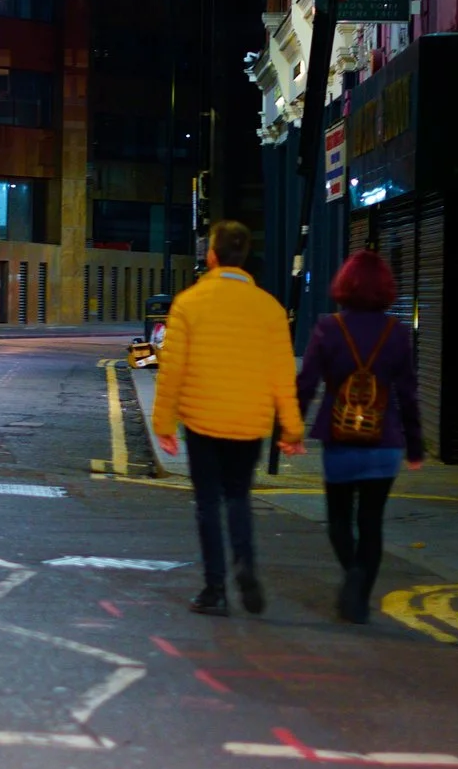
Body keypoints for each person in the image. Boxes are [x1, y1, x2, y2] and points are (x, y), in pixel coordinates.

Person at [150, 221, 306, 616]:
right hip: (249, 425)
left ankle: (215, 589)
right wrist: (292, 427)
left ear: (212, 255)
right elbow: (282, 374)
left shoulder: (188, 302)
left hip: (202, 422)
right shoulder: (270, 309)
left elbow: (172, 369)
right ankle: (246, 566)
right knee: (238, 497)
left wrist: (164, 423)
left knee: (207, 504)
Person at [296, 250, 424, 624]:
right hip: (384, 443)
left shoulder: (327, 327)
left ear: (345, 285)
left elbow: (306, 384)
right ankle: (359, 596)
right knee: (371, 522)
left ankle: (351, 574)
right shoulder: (397, 333)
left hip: (340, 440)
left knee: (339, 519)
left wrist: (290, 431)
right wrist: (414, 447)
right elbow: (408, 395)